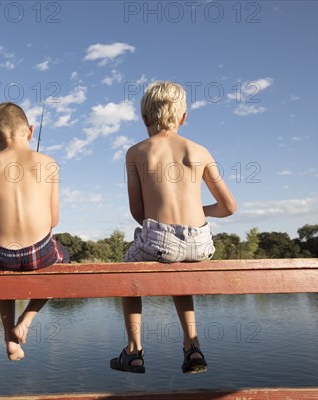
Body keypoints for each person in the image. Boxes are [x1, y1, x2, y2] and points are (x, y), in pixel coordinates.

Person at [110, 81, 237, 374]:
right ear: (183, 117)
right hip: (201, 242)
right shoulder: (200, 151)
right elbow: (229, 207)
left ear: (144, 118)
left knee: (127, 271)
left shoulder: (137, 152)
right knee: (181, 271)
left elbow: (138, 213)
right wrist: (196, 212)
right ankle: (192, 346)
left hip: (160, 237)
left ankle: (133, 351)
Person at [0, 102, 70, 360]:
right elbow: (53, 220)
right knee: (64, 259)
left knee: (3, 276)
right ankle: (27, 319)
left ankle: (9, 339)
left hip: (2, 255)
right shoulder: (48, 163)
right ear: (31, 131)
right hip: (41, 253)